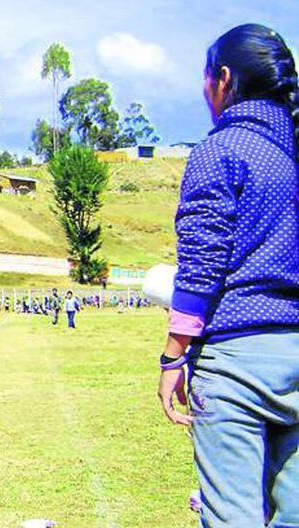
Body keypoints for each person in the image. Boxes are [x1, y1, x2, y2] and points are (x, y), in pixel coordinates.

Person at [156, 24, 299, 527]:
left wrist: (172, 356)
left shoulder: (221, 150)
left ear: (223, 79)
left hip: (236, 361)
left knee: (232, 518)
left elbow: (201, 264)